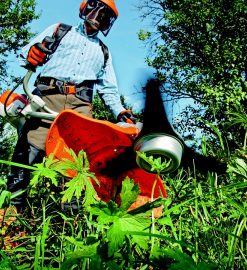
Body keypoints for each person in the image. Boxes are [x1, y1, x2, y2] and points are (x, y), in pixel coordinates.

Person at [7, 0, 136, 209]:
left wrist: (120, 111)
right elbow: (25, 53)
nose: (99, 16)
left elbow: (108, 89)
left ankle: (69, 219)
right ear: (86, 8)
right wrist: (33, 53)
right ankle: (12, 211)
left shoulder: (103, 51)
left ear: (108, 23)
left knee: (79, 161)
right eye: (97, 9)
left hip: (80, 106)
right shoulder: (60, 30)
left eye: (106, 15)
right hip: (48, 96)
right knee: (29, 150)